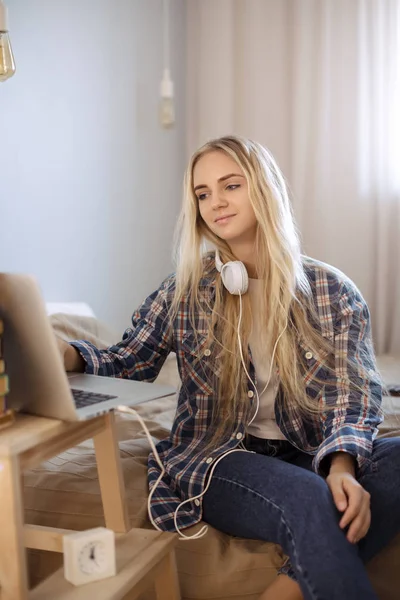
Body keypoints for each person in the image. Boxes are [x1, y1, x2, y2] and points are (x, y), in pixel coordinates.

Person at [57, 136, 400, 600]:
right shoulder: (185, 290)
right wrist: (68, 355)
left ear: (263, 189)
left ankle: (291, 589)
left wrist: (342, 467)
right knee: (310, 497)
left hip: (308, 448)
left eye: (230, 185)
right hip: (221, 457)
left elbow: (353, 395)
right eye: (202, 193)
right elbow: (129, 360)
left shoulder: (331, 291)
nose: (215, 202)